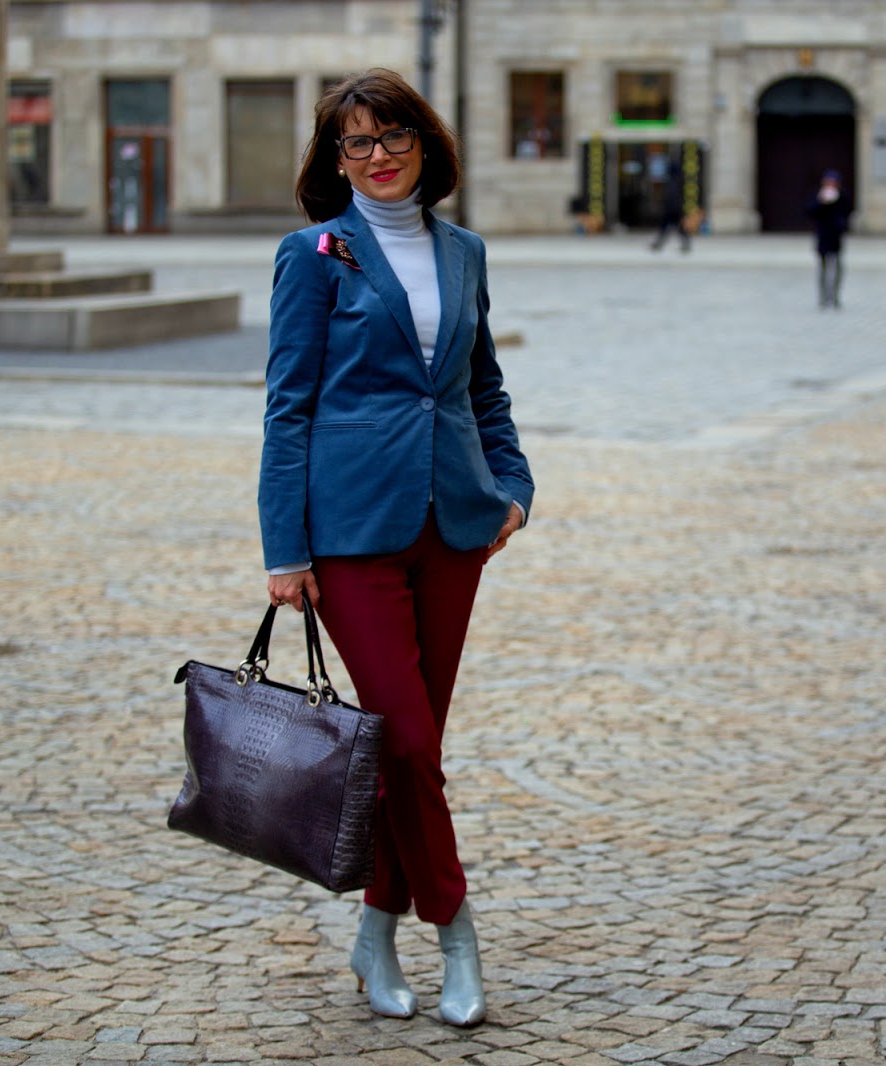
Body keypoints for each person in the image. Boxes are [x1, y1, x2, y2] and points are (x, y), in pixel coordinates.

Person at [258, 68, 534, 1028]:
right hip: (349, 536)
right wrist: (284, 549)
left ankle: (375, 933)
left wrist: (515, 488)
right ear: (336, 159)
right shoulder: (313, 254)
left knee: (406, 750)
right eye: (357, 142)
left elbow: (483, 387)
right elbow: (287, 408)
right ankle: (457, 933)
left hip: (453, 529)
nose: (377, 156)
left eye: (393, 136)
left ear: (425, 141)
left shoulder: (464, 252)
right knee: (408, 743)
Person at [805, 170, 852, 309]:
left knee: (837, 267)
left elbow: (847, 211)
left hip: (836, 235)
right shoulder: (818, 195)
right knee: (823, 268)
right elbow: (810, 211)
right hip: (823, 235)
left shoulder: (842, 196)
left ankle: (835, 296)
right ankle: (823, 297)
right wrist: (822, 202)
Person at [649, 160, 692, 253]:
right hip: (676, 208)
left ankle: (659, 243)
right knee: (677, 228)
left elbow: (672, 197)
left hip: (672, 209)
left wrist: (667, 207)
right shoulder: (679, 180)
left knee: (667, 227)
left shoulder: (672, 181)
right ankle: (685, 244)